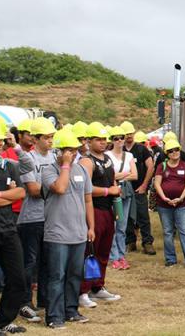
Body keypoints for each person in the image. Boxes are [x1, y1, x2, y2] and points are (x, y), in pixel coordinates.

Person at [42, 130, 95, 328]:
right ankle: (54, 316)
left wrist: (91, 226)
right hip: (57, 233)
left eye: (74, 150)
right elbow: (60, 188)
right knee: (57, 276)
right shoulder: (48, 170)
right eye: (68, 150)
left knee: (74, 275)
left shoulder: (81, 170)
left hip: (79, 233)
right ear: (59, 151)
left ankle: (71, 310)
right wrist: (64, 165)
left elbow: (88, 199)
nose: (72, 154)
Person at [16, 118, 59, 323]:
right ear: (35, 139)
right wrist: (55, 186)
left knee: (47, 261)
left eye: (52, 137)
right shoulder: (28, 159)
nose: (50, 141)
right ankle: (24, 301)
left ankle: (44, 299)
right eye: (46, 137)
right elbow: (33, 190)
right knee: (29, 262)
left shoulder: (55, 157)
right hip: (31, 218)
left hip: (51, 217)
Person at [78, 123, 122, 309]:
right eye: (98, 139)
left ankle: (98, 286)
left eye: (105, 139)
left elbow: (112, 182)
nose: (103, 143)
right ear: (88, 141)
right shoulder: (87, 162)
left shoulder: (108, 159)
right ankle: (83, 290)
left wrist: (115, 197)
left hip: (107, 210)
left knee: (104, 250)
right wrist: (107, 191)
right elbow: (84, 189)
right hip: (93, 210)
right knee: (91, 252)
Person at [0, 124, 29, 334]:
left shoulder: (9, 165)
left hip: (8, 230)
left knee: (18, 278)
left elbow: (21, 193)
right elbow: (13, 194)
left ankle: (2, 321)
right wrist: (8, 195)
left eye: (0, 140)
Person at [153, 138, 185, 267]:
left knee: (184, 231)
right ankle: (170, 260)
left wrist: (181, 198)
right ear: (167, 153)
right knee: (168, 232)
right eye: (171, 151)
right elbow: (157, 184)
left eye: (176, 150)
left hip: (181, 204)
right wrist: (164, 198)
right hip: (164, 205)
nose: (174, 152)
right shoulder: (161, 166)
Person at [106, 126, 137, 270]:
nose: (119, 141)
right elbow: (110, 176)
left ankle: (121, 255)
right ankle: (113, 256)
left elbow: (135, 175)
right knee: (112, 224)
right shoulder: (107, 156)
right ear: (112, 140)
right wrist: (126, 174)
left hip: (126, 191)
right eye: (116, 138)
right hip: (114, 191)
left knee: (122, 226)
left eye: (121, 138)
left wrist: (120, 175)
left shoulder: (129, 156)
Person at [123, 124, 156, 256]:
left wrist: (144, 185)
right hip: (125, 189)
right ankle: (130, 242)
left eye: (131, 133)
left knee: (143, 216)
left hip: (139, 189)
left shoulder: (141, 149)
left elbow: (150, 167)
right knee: (126, 218)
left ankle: (147, 242)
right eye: (126, 134)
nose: (129, 136)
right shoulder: (119, 150)